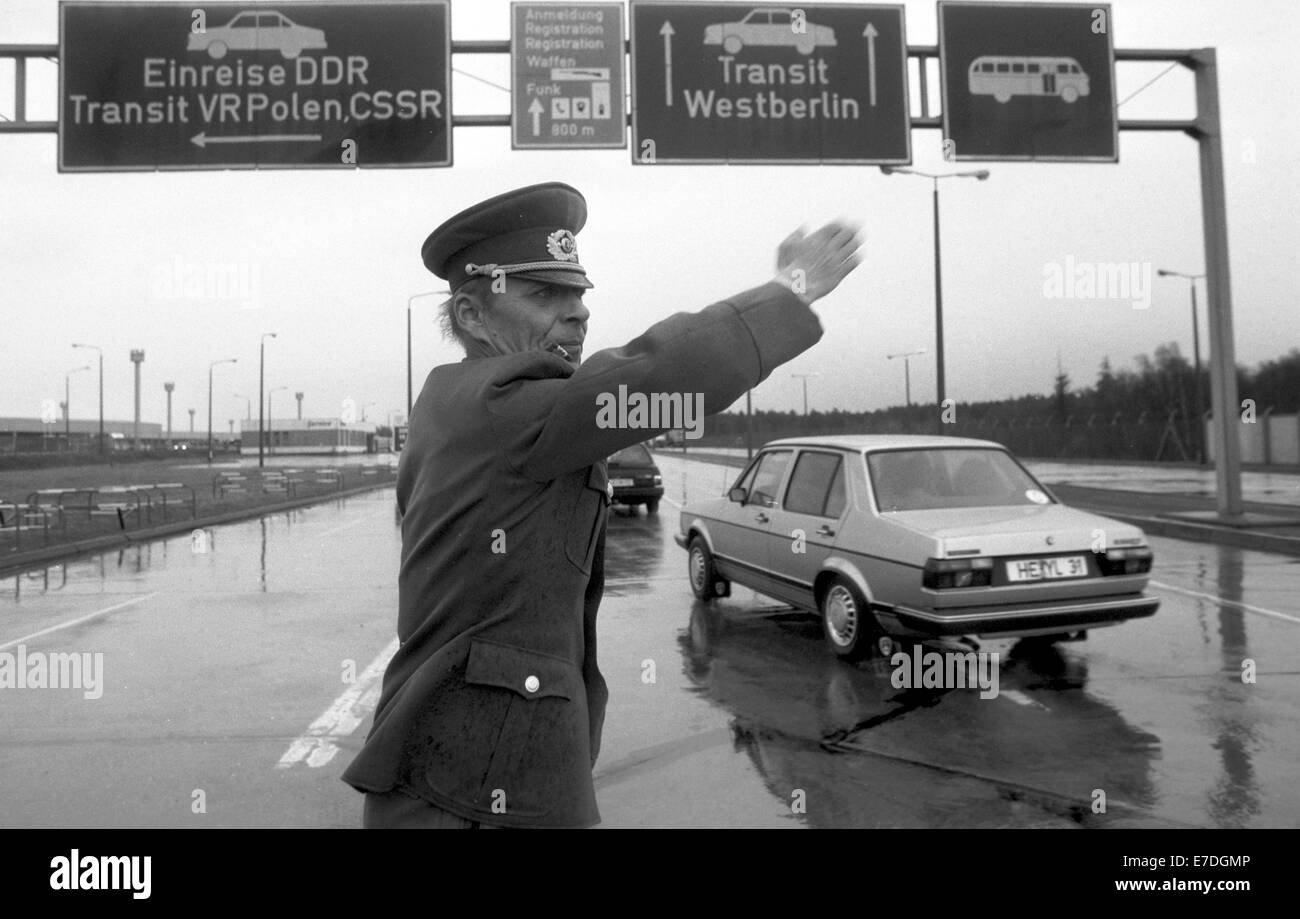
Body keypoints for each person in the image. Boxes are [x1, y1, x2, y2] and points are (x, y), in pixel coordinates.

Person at [342, 182, 862, 828]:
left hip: (486, 771)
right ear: (472, 316)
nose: (578, 313)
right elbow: (657, 374)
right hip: (475, 789)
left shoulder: (461, 406)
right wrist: (792, 289)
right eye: (543, 295)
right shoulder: (502, 403)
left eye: (579, 295)